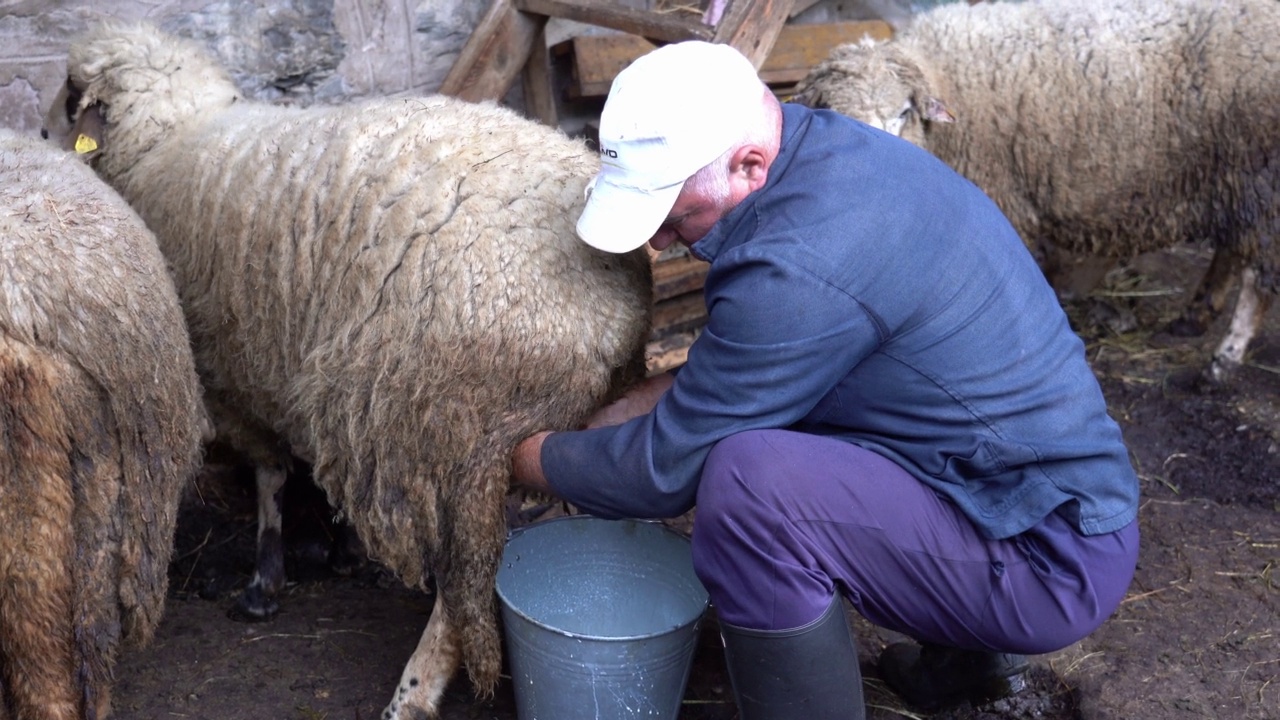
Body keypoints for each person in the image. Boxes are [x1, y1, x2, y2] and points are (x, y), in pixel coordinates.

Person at [511, 40, 1140, 719]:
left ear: (747, 165)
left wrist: (526, 456)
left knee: (753, 489)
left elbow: (659, 476)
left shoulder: (798, 265)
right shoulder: (830, 159)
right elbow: (739, 378)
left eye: (671, 214)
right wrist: (607, 419)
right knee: (798, 429)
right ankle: (963, 667)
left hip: (1048, 559)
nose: (657, 243)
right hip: (1011, 488)